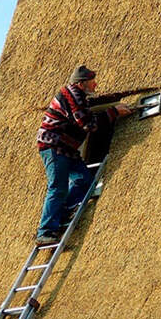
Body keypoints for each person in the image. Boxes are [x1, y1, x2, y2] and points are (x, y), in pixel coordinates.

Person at [35, 65, 132, 245]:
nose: (95, 85)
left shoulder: (80, 97)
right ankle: (45, 231)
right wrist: (114, 111)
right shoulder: (72, 96)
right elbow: (88, 124)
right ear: (82, 83)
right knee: (57, 186)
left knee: (84, 180)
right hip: (54, 146)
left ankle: (62, 212)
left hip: (68, 149)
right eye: (92, 81)